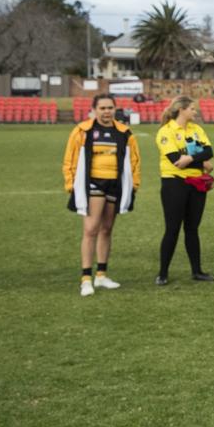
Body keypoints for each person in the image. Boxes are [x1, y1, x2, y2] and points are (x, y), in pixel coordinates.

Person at [62, 94, 141, 296]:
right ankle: (86, 278)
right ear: (94, 110)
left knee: (107, 229)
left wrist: (134, 185)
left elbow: (134, 161)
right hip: (93, 183)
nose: (106, 112)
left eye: (110, 108)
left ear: (115, 109)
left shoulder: (124, 132)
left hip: (115, 184)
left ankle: (101, 275)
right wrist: (71, 184)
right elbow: (69, 159)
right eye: (102, 108)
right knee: (91, 229)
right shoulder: (83, 131)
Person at [154, 96, 214, 285]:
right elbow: (176, 160)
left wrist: (189, 159)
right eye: (192, 109)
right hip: (175, 182)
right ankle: (163, 273)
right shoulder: (166, 131)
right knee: (172, 229)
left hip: (197, 183)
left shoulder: (196, 130)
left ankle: (197, 271)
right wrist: (198, 159)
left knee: (192, 229)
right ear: (181, 109)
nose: (195, 112)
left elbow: (209, 152)